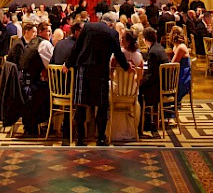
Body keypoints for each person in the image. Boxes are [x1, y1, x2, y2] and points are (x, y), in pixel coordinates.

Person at [66, 10, 132, 146]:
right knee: (102, 107)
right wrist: (126, 67)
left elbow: (77, 48)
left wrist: (68, 64)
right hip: (100, 72)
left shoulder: (88, 26)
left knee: (81, 106)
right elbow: (118, 54)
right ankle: (100, 138)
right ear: (112, 24)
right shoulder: (112, 33)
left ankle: (80, 139)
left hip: (83, 70)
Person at [138, 27, 168, 132]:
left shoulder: (153, 53)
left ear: (145, 39)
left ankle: (143, 123)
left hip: (158, 87)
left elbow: (151, 76)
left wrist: (140, 83)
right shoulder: (159, 47)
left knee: (139, 92)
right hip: (166, 84)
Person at [170, 26, 191, 104]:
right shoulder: (176, 46)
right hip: (178, 73)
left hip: (183, 77)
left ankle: (171, 107)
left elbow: (172, 65)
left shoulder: (181, 47)